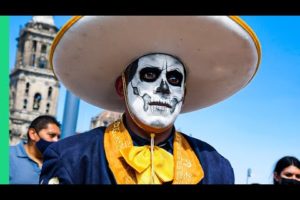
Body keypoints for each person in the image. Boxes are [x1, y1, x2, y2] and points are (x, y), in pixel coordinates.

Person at [40, 16, 261, 184]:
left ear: (184, 93)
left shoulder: (216, 167)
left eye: (174, 79)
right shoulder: (72, 158)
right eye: (149, 75)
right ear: (122, 87)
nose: (164, 89)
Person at [10, 115, 61, 184]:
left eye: (58, 137)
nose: (56, 140)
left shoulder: (57, 163)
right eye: (51, 135)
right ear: (33, 134)